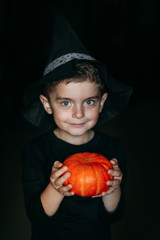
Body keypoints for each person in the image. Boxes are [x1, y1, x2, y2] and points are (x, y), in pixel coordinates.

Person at [21, 14, 132, 240]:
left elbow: (114, 216)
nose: (78, 113)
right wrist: (55, 188)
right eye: (65, 103)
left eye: (89, 101)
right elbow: (36, 217)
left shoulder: (112, 149)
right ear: (47, 104)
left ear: (101, 103)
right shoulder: (35, 151)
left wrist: (112, 189)